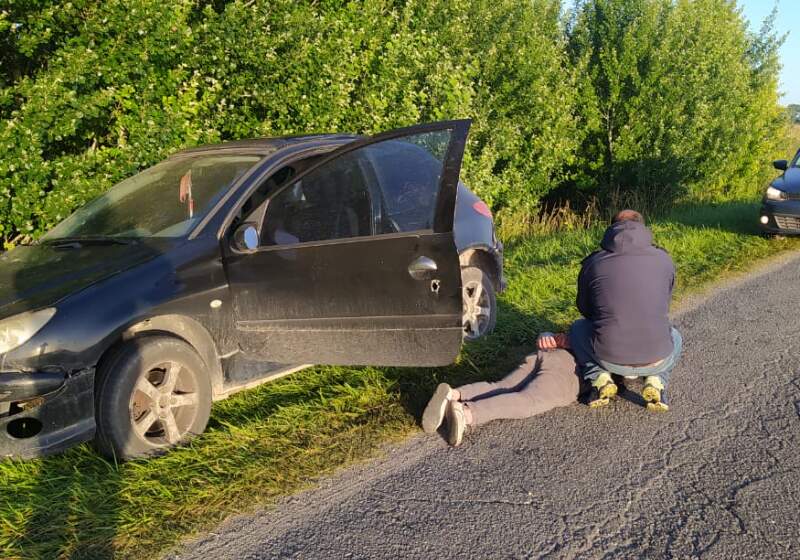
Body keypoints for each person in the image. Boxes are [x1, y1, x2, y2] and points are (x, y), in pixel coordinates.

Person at [568, 209, 682, 412]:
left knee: (577, 328)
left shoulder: (593, 263)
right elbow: (665, 302)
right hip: (657, 358)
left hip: (608, 357)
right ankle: (657, 380)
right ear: (644, 227)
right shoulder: (664, 259)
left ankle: (599, 377)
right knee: (676, 336)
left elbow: (584, 308)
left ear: (611, 229)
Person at [422, 332, 581, 446]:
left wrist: (547, 335)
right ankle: (466, 414)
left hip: (551, 349)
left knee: (503, 385)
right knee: (529, 400)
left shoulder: (587, 319)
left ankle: (453, 394)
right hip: (571, 367)